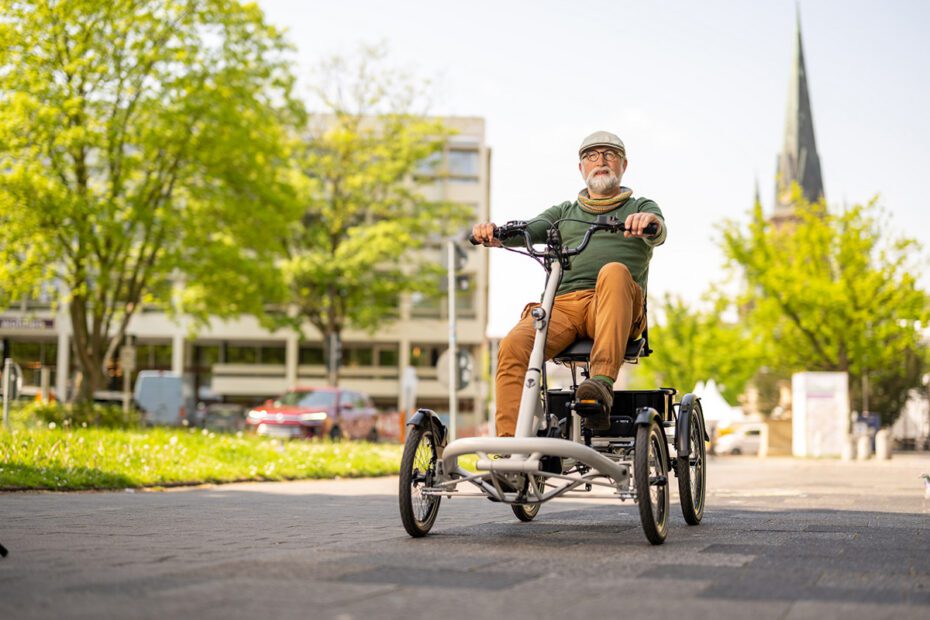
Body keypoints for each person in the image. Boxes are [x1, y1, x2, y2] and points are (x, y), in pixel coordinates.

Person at [472, 130, 667, 436]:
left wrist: (648, 224)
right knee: (513, 345)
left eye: (609, 155)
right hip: (563, 308)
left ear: (623, 165)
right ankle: (510, 450)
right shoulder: (564, 213)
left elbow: (659, 229)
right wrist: (496, 234)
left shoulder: (641, 206)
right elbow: (531, 229)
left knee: (613, 270)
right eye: (591, 156)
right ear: (581, 169)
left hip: (615, 304)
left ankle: (600, 386)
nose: (600, 161)